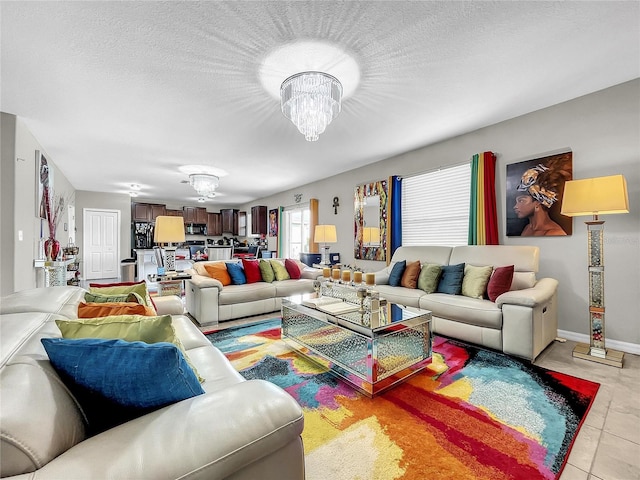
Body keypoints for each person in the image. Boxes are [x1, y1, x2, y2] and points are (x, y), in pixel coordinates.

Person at [513, 161, 570, 236]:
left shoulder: (555, 233)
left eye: (521, 200)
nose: (515, 206)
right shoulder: (528, 229)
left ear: (538, 203)